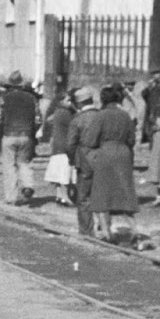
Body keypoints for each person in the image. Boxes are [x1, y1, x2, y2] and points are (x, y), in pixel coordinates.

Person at [81, 84, 139, 242]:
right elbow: (132, 140)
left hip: (105, 154)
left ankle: (106, 232)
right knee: (125, 192)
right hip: (123, 154)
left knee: (101, 194)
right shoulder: (125, 115)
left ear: (103, 99)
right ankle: (134, 230)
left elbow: (90, 140)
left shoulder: (101, 116)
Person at [0, 70, 39, 205]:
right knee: (24, 163)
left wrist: (0, 133)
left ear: (10, 84)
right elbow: (38, 119)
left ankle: (11, 197)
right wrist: (32, 132)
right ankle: (28, 186)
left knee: (9, 166)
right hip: (27, 136)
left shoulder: (3, 98)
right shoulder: (32, 98)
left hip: (9, 135)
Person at [65, 86, 100, 237]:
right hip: (103, 158)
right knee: (101, 195)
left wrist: (73, 160)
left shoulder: (77, 120)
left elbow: (70, 145)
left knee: (84, 197)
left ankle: (86, 231)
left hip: (84, 160)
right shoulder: (102, 116)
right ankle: (102, 227)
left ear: (79, 104)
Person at [43, 91, 76, 205]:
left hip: (56, 146)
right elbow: (75, 126)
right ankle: (65, 197)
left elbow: (48, 121)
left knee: (57, 173)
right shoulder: (66, 113)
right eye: (68, 100)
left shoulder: (56, 112)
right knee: (64, 174)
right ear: (61, 101)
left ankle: (59, 196)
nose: (70, 102)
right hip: (64, 147)